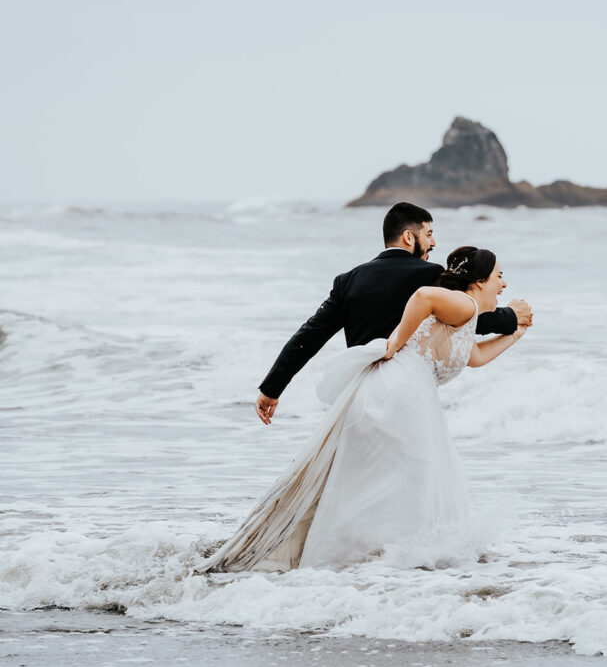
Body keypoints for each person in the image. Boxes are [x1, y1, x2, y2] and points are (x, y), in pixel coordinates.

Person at [200, 245, 529, 573]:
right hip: (400, 391)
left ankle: (369, 560)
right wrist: (396, 342)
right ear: (481, 281)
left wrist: (517, 332)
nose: (504, 284)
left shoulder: (463, 315)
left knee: (386, 481)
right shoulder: (466, 303)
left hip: (398, 390)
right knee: (412, 479)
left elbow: (476, 358)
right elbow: (422, 298)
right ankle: (382, 562)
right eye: (500, 276)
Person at [254, 202, 532, 424]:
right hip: (405, 396)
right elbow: (469, 320)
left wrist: (272, 388)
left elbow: (310, 336)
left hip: (359, 396)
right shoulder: (432, 275)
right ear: (408, 237)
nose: (434, 243)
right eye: (429, 234)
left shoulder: (349, 280)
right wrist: (511, 317)